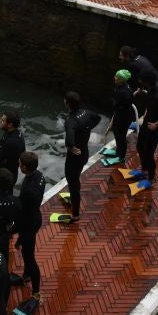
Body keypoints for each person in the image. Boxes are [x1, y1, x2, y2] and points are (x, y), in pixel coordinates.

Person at [13, 151, 45, 315]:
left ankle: (36, 293)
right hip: (34, 217)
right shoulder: (39, 175)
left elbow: (22, 213)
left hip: (29, 223)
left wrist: (14, 230)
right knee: (26, 252)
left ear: (25, 167)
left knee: (29, 258)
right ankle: (25, 277)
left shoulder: (29, 191)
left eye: (20, 164)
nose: (18, 166)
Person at [62, 91, 101, 220]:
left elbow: (69, 140)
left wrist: (71, 147)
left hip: (74, 157)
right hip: (84, 153)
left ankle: (75, 214)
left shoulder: (70, 120)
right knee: (75, 178)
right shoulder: (87, 113)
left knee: (73, 183)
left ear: (67, 103)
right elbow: (98, 118)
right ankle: (73, 198)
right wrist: (87, 128)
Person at [105, 69, 138, 163]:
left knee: (121, 136)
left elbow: (118, 104)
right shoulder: (124, 86)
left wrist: (112, 100)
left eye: (117, 77)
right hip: (122, 115)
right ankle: (118, 151)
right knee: (117, 133)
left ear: (121, 80)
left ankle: (121, 157)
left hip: (123, 117)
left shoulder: (123, 92)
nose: (114, 78)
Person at [0, 111, 26, 186]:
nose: (0, 121)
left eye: (3, 120)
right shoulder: (15, 133)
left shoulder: (11, 142)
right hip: (9, 174)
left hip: (5, 179)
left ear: (10, 124)